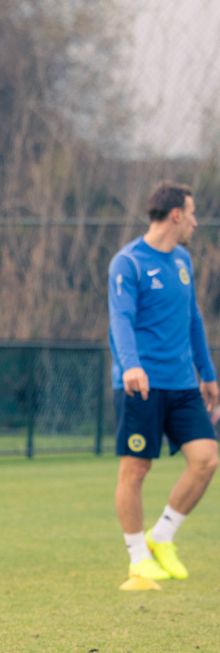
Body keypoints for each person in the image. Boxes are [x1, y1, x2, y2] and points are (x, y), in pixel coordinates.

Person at [109, 181, 219, 584]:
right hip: (140, 384)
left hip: (183, 384)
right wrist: (131, 365)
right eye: (191, 213)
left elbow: (193, 319)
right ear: (175, 215)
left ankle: (162, 536)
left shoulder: (182, 260)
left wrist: (208, 374)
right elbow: (120, 319)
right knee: (136, 468)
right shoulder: (128, 263)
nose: (194, 221)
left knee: (207, 458)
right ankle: (138, 556)